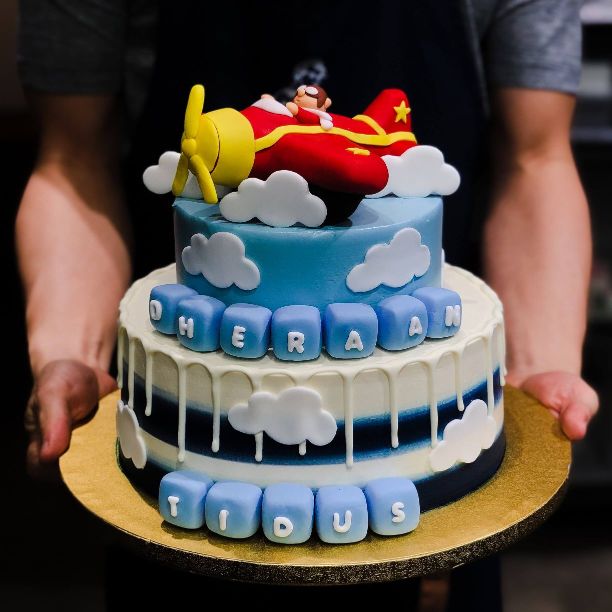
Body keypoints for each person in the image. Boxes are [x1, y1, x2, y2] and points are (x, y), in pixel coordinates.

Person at [16, 0, 598, 608]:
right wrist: (72, 351)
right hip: (182, 506)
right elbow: (72, 159)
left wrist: (539, 361)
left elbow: (536, 156)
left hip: (435, 487)